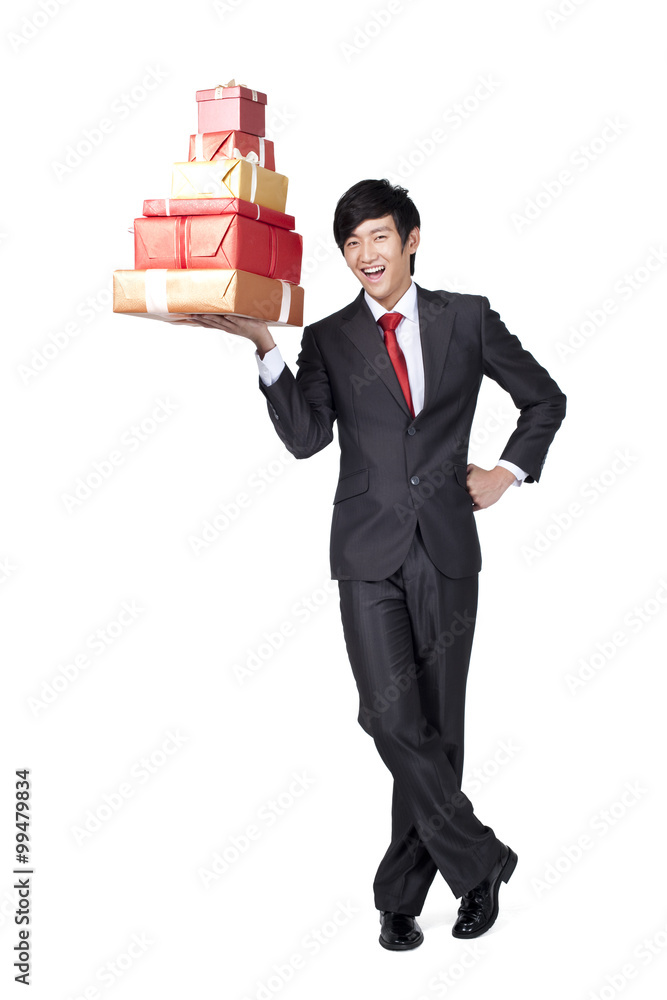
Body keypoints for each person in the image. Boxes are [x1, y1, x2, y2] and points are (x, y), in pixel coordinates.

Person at [193, 179, 566, 950]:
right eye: (352, 244)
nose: (365, 255)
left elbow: (543, 398)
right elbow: (305, 438)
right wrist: (265, 350)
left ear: (411, 238)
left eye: (379, 238)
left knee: (436, 729)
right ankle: (481, 860)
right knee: (387, 718)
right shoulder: (329, 337)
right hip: (365, 552)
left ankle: (400, 897)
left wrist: (506, 473)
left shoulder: (464, 317)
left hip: (447, 547)